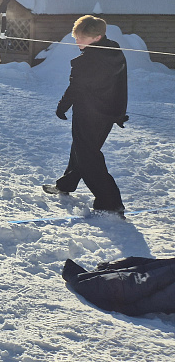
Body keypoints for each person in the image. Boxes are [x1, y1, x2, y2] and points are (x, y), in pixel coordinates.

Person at [44, 15, 128, 217]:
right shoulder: (114, 51)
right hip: (106, 115)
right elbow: (120, 85)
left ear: (97, 37)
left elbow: (76, 88)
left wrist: (61, 107)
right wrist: (118, 113)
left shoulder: (87, 62)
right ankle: (67, 184)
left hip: (89, 114)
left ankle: (111, 202)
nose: (77, 42)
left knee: (88, 156)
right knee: (81, 149)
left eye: (81, 38)